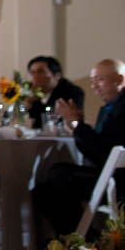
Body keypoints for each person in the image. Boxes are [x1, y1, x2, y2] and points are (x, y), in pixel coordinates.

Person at [37, 59, 125, 237]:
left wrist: (77, 124)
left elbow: (102, 153)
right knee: (43, 192)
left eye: (100, 80)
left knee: (58, 174)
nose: (94, 87)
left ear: (119, 79)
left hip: (119, 182)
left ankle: (87, 244)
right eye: (93, 81)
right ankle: (86, 242)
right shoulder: (113, 105)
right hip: (110, 176)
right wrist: (79, 125)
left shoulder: (122, 108)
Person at [27, 55, 85, 126]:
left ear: (57, 75)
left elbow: (71, 121)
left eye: (41, 72)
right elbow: (34, 123)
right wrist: (28, 102)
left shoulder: (72, 91)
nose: (35, 77)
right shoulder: (32, 93)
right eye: (32, 72)